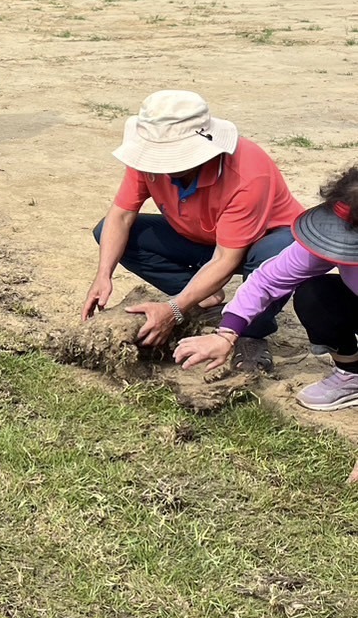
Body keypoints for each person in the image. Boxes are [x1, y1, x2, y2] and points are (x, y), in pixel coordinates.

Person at [83, 90, 305, 364]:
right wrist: (103, 275)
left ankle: (249, 332)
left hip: (259, 242)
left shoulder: (248, 172)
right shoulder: (146, 160)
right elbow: (121, 217)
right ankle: (205, 300)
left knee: (278, 252)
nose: (161, 164)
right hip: (202, 238)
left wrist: (173, 310)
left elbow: (226, 258)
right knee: (108, 231)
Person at [176, 167, 358, 417]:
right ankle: (352, 373)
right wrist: (226, 334)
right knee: (314, 294)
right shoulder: (338, 233)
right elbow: (267, 280)